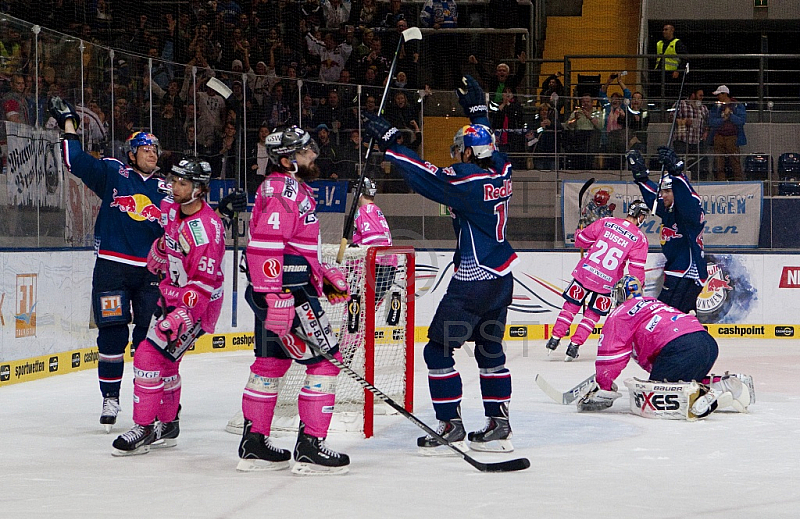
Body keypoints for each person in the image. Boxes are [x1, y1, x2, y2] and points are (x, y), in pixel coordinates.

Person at [362, 75, 518, 454]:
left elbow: (424, 177)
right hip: (502, 278)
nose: (457, 154)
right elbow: (488, 145)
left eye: (460, 149)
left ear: (468, 154)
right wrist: (478, 113)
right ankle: (499, 423)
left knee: (436, 350)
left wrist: (391, 145)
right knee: (489, 349)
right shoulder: (502, 169)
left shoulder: (467, 182)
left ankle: (450, 424)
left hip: (473, 282)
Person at [49, 97, 169, 432]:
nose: (151, 153)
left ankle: (151, 403)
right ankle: (110, 397)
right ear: (132, 153)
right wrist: (69, 123)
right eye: (145, 148)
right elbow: (75, 161)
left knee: (151, 341)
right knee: (112, 335)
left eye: (155, 149)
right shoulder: (115, 173)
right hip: (112, 270)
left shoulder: (169, 190)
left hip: (151, 274)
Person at [237, 126, 352, 475]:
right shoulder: (283, 189)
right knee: (326, 363)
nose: (312, 156)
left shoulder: (292, 188)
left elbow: (292, 246)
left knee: (270, 364)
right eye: (304, 153)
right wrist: (276, 296)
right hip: (289, 294)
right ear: (288, 161)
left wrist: (323, 273)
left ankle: (254, 443)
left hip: (285, 289)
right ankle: (310, 447)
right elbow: (266, 245)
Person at [111, 158, 226, 455]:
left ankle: (145, 427)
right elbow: (168, 238)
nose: (175, 187)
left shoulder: (205, 231)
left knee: (148, 357)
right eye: (174, 180)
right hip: (172, 295)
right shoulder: (172, 209)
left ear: (200, 189)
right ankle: (169, 423)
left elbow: (203, 281)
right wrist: (161, 250)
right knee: (168, 362)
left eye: (183, 183)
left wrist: (183, 316)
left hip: (196, 304)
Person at [577, 275, 734, 419]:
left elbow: (610, 355)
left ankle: (699, 396)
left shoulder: (620, 313)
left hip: (679, 348)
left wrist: (603, 385)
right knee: (677, 379)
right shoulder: (654, 303)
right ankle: (722, 385)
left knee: (654, 395)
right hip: (707, 343)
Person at [545, 200, 650, 362]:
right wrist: (638, 287)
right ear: (640, 216)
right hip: (607, 283)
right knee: (592, 316)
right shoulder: (640, 239)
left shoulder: (607, 222)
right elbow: (636, 270)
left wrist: (579, 231)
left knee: (570, 307)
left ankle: (554, 338)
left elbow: (581, 241)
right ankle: (574, 346)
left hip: (585, 273)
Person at [628, 146, 707, 314]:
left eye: (668, 191)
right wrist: (641, 178)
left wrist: (677, 174)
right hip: (677, 269)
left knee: (664, 316)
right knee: (672, 316)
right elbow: (653, 200)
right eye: (663, 191)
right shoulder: (669, 208)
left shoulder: (690, 208)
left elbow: (687, 197)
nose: (663, 195)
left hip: (687, 271)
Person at [708, 85, 747, 181]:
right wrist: (723, 119)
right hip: (718, 137)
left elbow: (741, 121)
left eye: (719, 95)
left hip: (732, 137)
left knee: (735, 161)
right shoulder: (716, 106)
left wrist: (730, 115)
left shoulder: (737, 105)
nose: (718, 97)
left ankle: (738, 182)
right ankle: (720, 183)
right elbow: (711, 122)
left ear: (725, 94)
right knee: (718, 163)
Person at [673, 87, 709, 180]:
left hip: (697, 141)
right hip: (682, 140)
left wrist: (706, 132)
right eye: (700, 95)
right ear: (693, 95)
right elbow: (671, 118)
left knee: (698, 166)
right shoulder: (680, 104)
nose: (702, 97)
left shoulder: (703, 108)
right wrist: (684, 121)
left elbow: (707, 123)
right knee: (680, 164)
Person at [598, 73, 631, 170]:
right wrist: (609, 81)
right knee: (607, 161)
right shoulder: (607, 107)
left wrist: (620, 81)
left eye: (617, 98)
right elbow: (602, 94)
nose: (615, 100)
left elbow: (628, 94)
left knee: (618, 162)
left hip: (619, 140)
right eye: (613, 98)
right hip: (606, 139)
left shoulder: (623, 107)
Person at [653, 24, 688, 107]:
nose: (664, 31)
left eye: (666, 30)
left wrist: (678, 70)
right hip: (659, 72)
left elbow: (685, 58)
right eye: (663, 30)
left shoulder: (677, 43)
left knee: (670, 93)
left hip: (671, 74)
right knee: (658, 92)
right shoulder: (659, 43)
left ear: (672, 30)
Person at [565, 93, 602, 170]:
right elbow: (568, 125)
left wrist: (589, 117)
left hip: (592, 141)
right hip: (579, 141)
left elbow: (600, 126)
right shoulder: (576, 112)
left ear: (592, 103)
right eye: (583, 102)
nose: (585, 103)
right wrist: (575, 119)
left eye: (587, 101)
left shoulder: (597, 113)